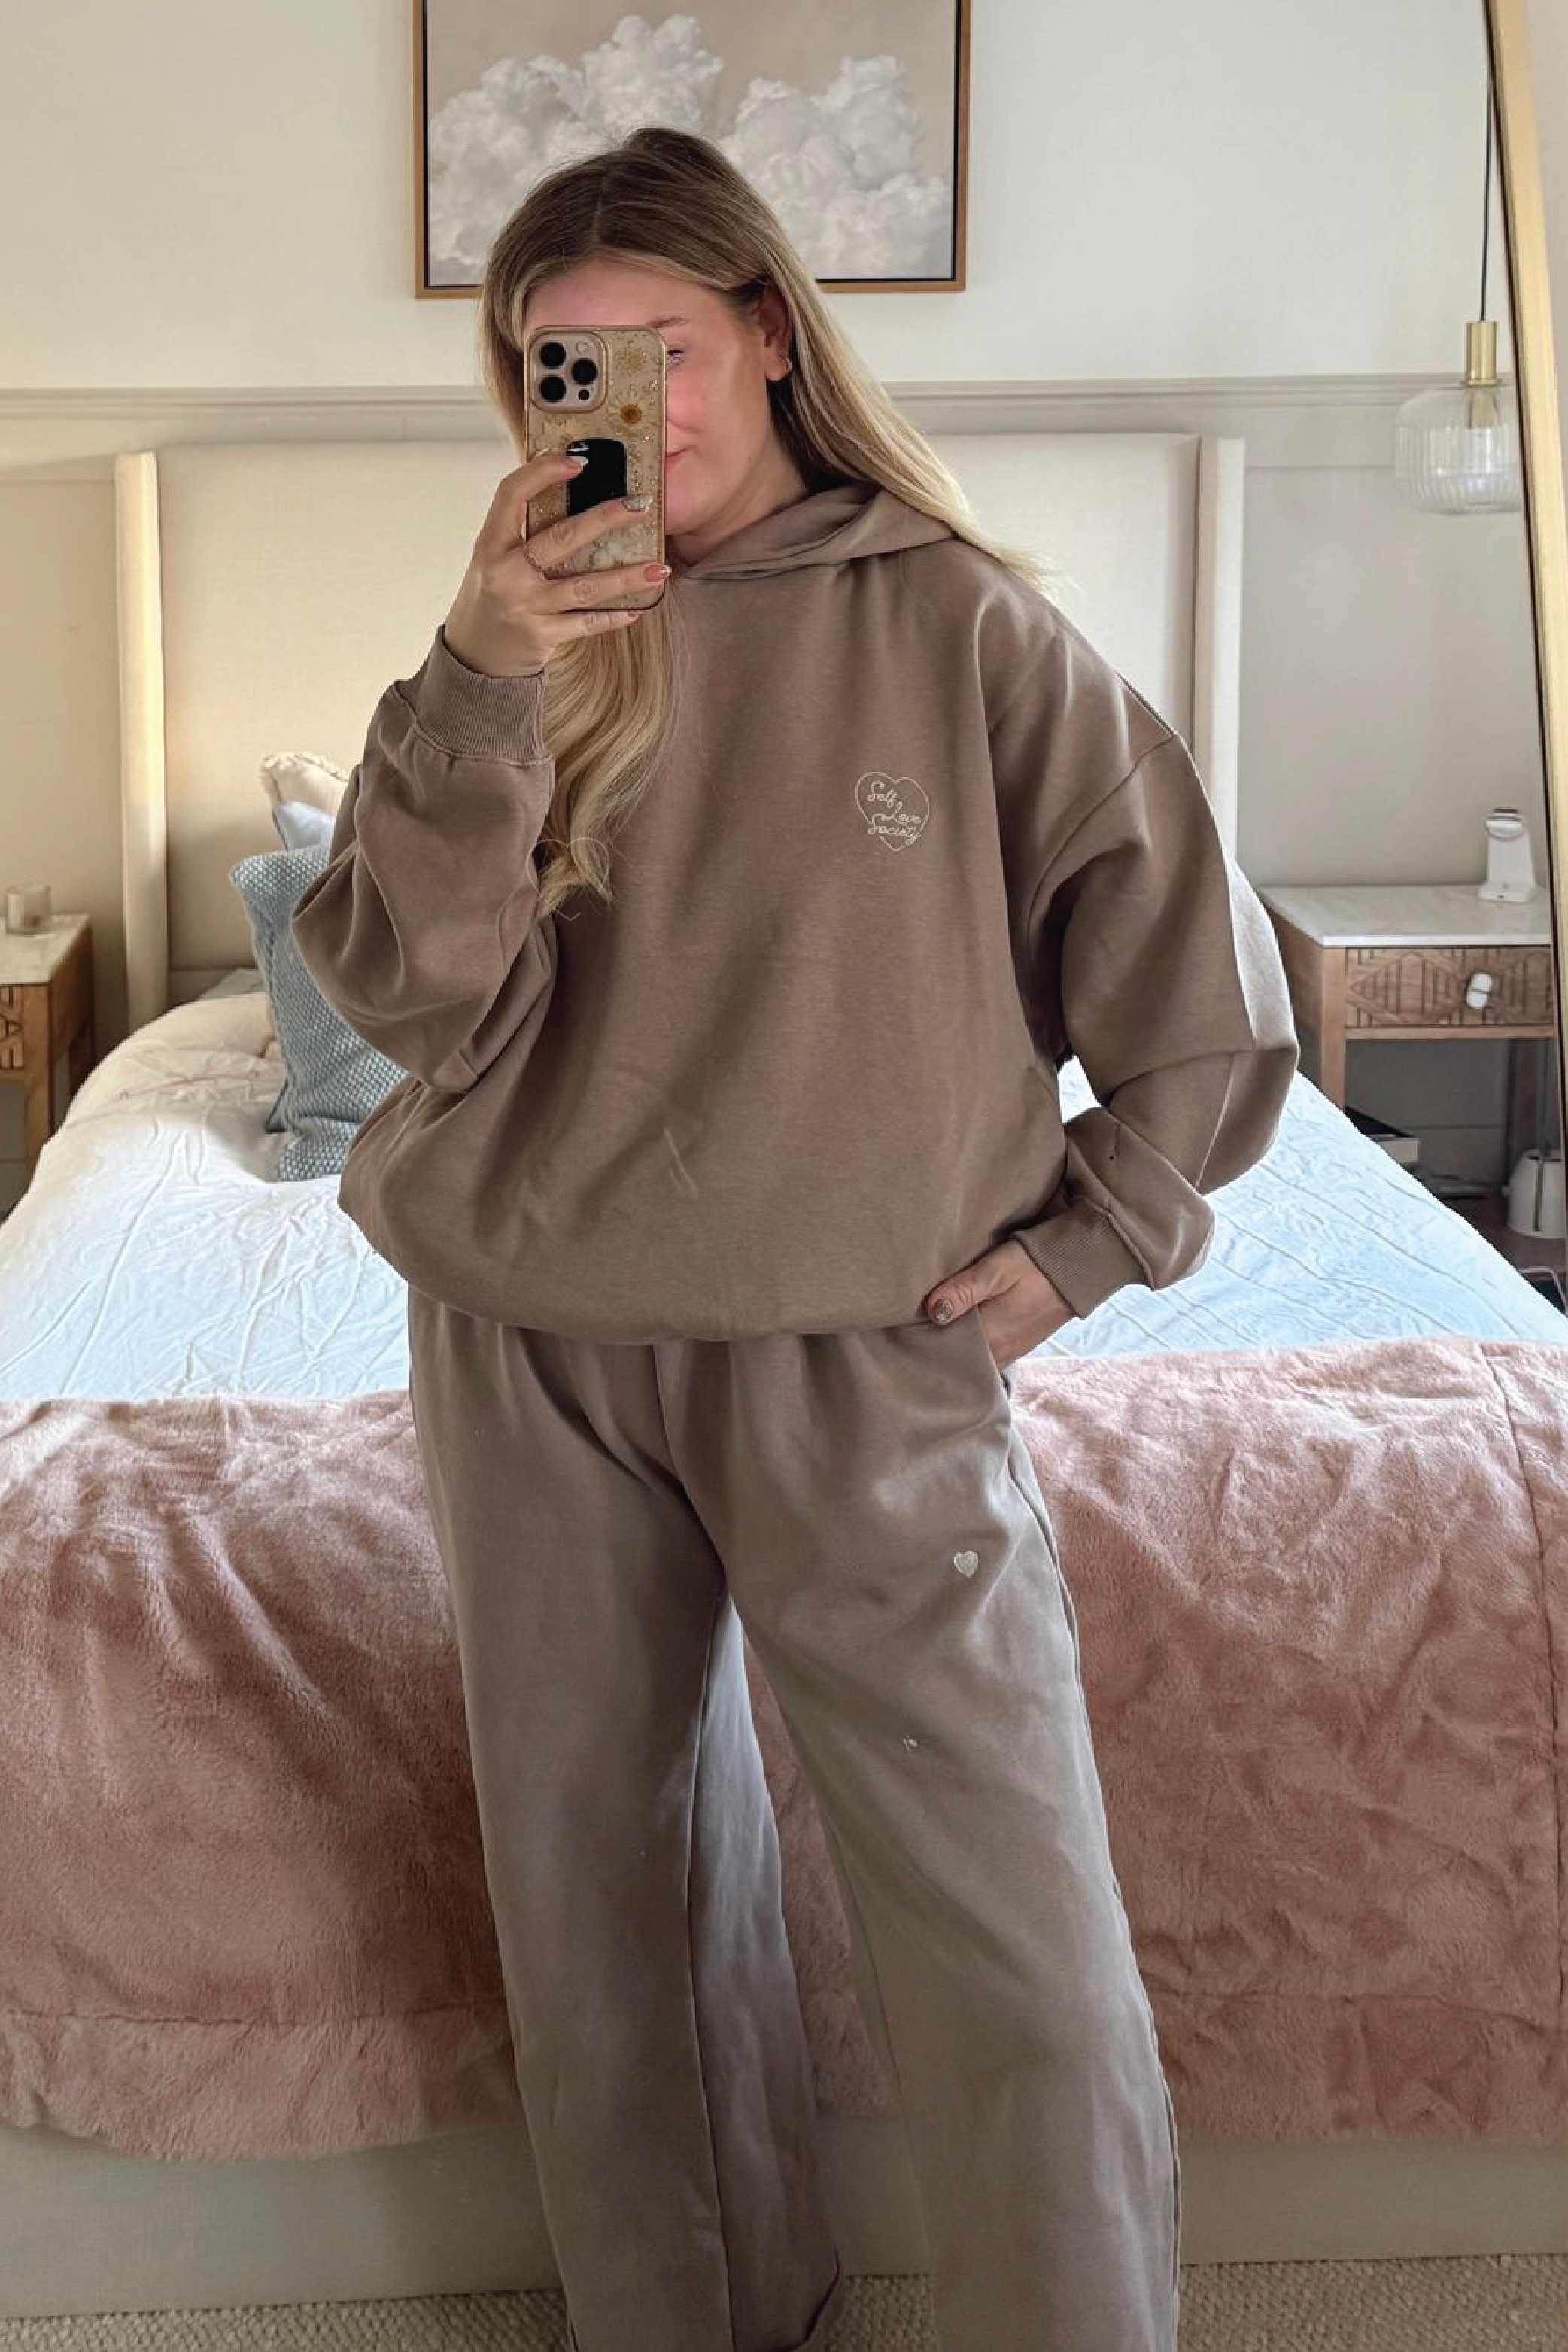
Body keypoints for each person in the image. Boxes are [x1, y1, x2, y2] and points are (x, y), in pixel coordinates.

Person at [292, 124, 1298, 2352]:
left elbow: (1201, 997)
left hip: (865, 1341)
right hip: (528, 1338)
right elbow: (402, 992)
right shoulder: (522, 648)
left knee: (1007, 1919)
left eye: (659, 347)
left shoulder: (962, 624)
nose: (622, 406)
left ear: (766, 332)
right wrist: (479, 662)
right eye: (563, 367)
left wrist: (1100, 1235)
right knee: (607, 1911)